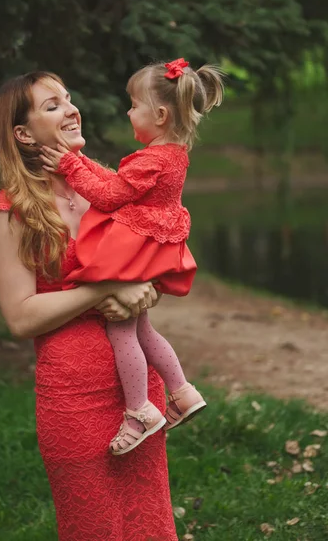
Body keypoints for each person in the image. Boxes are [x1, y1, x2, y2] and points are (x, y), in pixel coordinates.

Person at [0, 71, 179, 540]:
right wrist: (103, 289)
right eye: (52, 105)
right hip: (73, 397)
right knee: (93, 527)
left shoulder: (106, 188)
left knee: (148, 523)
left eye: (69, 99)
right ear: (24, 134)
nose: (72, 109)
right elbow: (19, 317)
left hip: (139, 398)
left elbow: (152, 259)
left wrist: (146, 287)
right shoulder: (13, 210)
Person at [39, 58, 224, 455]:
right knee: (143, 329)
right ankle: (183, 391)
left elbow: (108, 196)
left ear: (158, 114)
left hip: (136, 247)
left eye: (134, 105)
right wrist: (80, 163)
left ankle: (139, 410)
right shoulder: (171, 153)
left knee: (120, 327)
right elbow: (118, 183)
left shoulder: (150, 159)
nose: (128, 112)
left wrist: (70, 164)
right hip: (154, 244)